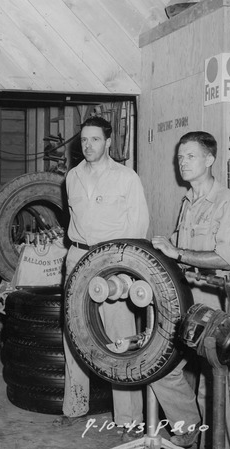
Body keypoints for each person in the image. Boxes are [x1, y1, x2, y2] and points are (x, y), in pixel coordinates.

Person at [150, 131, 230, 448]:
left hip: (217, 307)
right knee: (161, 368)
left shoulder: (226, 202)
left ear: (209, 159)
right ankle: (188, 429)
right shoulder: (188, 201)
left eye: (190, 156)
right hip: (189, 305)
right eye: (180, 157)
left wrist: (178, 253)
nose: (183, 162)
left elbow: (227, 258)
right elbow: (180, 248)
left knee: (210, 385)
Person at [57, 117, 149, 441]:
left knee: (120, 338)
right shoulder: (72, 177)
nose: (88, 146)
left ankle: (129, 419)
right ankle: (75, 407)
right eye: (84, 140)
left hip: (113, 261)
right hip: (77, 257)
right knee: (75, 335)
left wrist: (125, 267)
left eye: (95, 140)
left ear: (108, 142)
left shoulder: (126, 178)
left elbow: (138, 228)